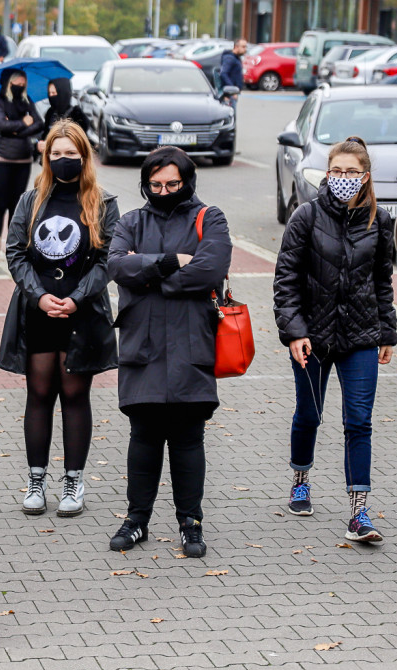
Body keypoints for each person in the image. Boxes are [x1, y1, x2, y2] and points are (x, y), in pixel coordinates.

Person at [106, 146, 232, 559]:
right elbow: (117, 267)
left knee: (187, 439)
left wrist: (152, 277)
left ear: (187, 182)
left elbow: (211, 269)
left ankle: (190, 522)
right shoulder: (130, 221)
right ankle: (136, 519)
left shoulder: (209, 218)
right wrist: (169, 262)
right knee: (143, 437)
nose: (163, 190)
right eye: (155, 184)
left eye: (171, 184)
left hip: (191, 345)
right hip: (141, 345)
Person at [272, 136, 397, 544]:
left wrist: (387, 330)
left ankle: (359, 512)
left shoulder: (378, 221)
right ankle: (301, 480)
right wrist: (294, 331)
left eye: (352, 172)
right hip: (313, 337)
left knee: (359, 422)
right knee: (310, 414)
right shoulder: (305, 217)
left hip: (361, 334)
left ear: (365, 177)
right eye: (337, 171)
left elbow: (382, 281)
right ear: (328, 174)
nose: (344, 178)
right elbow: (286, 280)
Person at [0, 120, 118, 517]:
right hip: (39, 312)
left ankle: (73, 481)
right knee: (39, 393)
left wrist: (77, 299)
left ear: (84, 156)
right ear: (46, 155)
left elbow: (106, 260)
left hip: (80, 315)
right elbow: (14, 253)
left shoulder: (102, 202)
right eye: (57, 153)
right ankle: (36, 480)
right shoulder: (31, 200)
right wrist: (40, 295)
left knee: (74, 394)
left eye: (71, 153)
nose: (64, 160)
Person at [0, 69, 43, 263]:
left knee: (16, 205)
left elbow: (39, 123)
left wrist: (15, 129)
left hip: (23, 160)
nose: (21, 84)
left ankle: (12, 248)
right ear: (9, 82)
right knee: (0, 204)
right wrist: (23, 123)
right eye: (17, 81)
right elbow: (0, 126)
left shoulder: (28, 101)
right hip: (1, 159)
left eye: (23, 81)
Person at [37, 78, 91, 155]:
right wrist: (41, 144)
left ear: (62, 93)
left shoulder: (76, 114)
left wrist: (50, 144)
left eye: (54, 93)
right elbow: (45, 134)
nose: (51, 96)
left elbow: (77, 141)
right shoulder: (50, 113)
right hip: (51, 161)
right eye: (49, 93)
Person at [219, 38, 247, 109]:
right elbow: (223, 73)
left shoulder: (236, 58)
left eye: (245, 47)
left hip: (233, 93)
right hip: (229, 95)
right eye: (243, 47)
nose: (245, 49)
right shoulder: (230, 58)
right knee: (230, 117)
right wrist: (232, 90)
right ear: (236, 47)